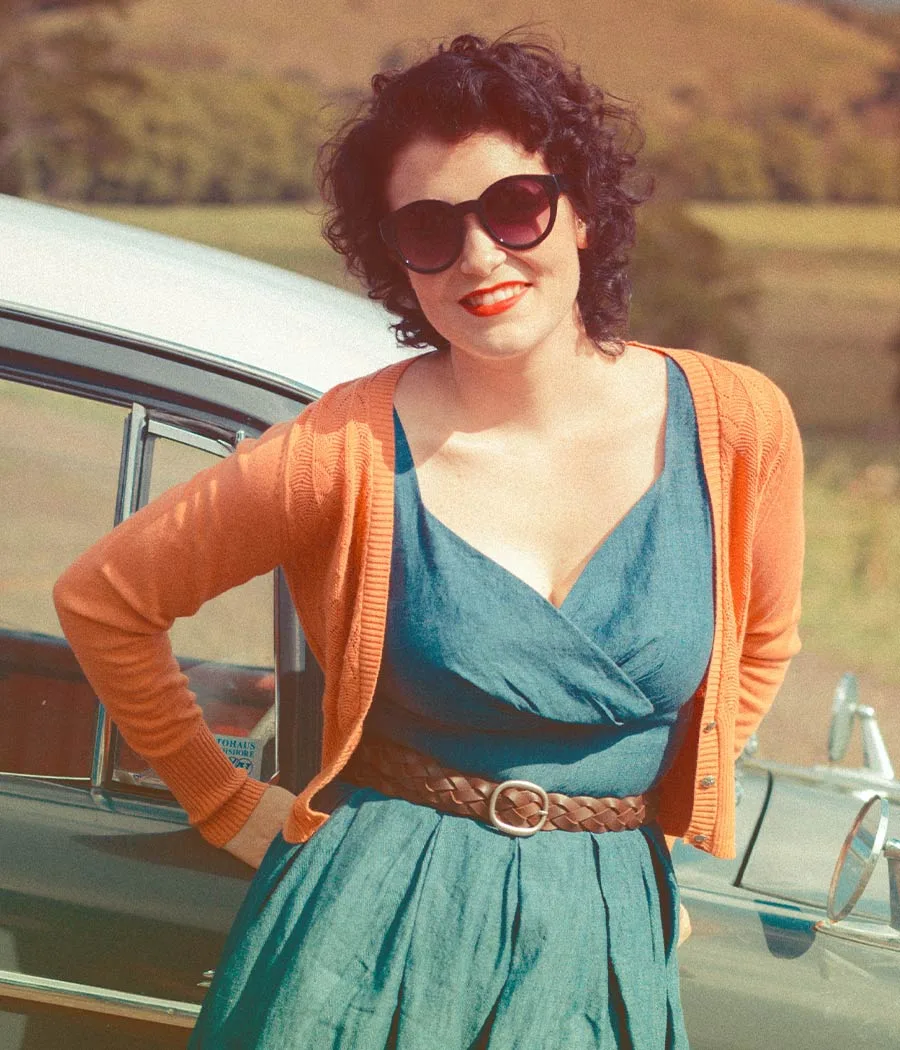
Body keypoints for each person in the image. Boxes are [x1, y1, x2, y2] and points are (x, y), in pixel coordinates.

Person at [53, 33, 804, 1050]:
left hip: (608, 914)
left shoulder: (737, 422)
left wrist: (658, 826)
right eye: (429, 227)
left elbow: (762, 642)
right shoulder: (341, 446)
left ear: (580, 211)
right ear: (397, 261)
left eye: (515, 206)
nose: (482, 256)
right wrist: (225, 802)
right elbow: (106, 600)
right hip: (367, 925)